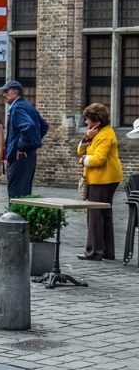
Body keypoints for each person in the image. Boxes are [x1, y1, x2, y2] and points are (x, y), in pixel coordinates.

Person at [76, 103, 122, 261]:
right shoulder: (97, 133)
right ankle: (107, 251)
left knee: (95, 214)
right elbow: (80, 150)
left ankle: (94, 251)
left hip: (102, 179)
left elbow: (99, 159)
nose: (86, 123)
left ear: (97, 120)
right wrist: (87, 137)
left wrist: (83, 160)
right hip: (103, 178)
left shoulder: (105, 135)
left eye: (88, 119)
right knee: (104, 214)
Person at [0, 79, 48, 198]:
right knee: (24, 191)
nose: (4, 94)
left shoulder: (17, 108)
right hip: (28, 155)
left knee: (16, 192)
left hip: (20, 156)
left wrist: (22, 146)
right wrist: (33, 142)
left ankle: (15, 216)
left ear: (16, 92)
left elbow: (29, 126)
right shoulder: (27, 105)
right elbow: (43, 126)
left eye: (6, 91)